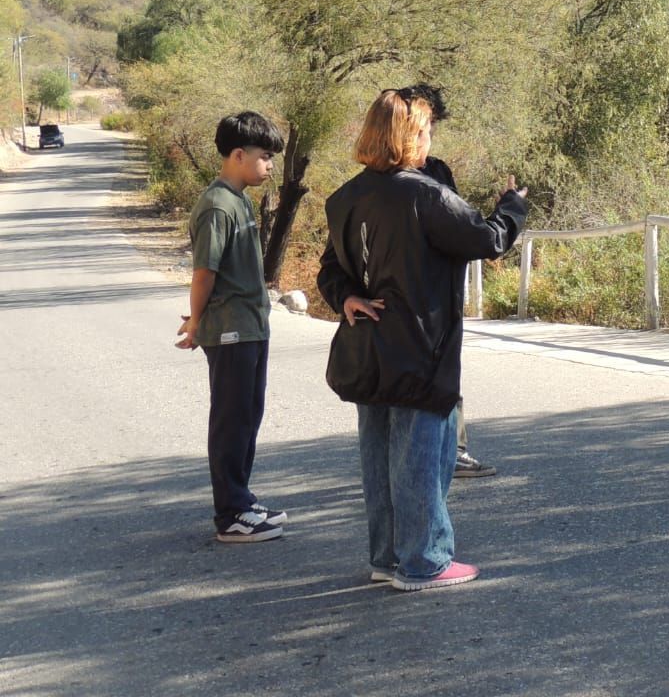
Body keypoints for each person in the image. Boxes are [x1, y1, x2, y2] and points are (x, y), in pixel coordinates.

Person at [319, 89, 526, 592]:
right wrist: (513, 207)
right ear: (409, 135)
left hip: (367, 348)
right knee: (422, 459)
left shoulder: (344, 197)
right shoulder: (425, 195)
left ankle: (388, 557)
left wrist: (347, 297)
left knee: (379, 458)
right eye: (426, 128)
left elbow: (330, 270)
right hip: (419, 348)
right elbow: (487, 239)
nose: (430, 138)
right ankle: (425, 561)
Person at [175, 111, 287, 543]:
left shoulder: (239, 198)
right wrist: (198, 321)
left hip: (251, 326)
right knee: (231, 419)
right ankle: (231, 515)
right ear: (238, 155)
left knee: (247, 415)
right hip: (230, 330)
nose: (270, 165)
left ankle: (242, 500)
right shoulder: (217, 205)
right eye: (264, 157)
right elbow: (204, 272)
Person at [406, 82, 498, 481]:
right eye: (426, 125)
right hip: (407, 298)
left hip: (442, 295)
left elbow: (460, 228)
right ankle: (421, 457)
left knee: (446, 371)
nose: (430, 135)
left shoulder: (438, 171)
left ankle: (454, 449)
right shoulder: (378, 181)